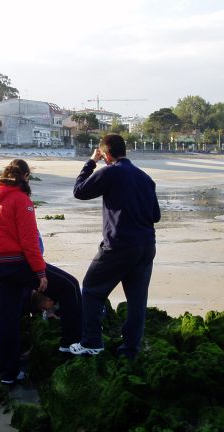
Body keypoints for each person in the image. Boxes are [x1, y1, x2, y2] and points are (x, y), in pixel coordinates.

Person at [71, 134, 161, 359]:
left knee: (91, 289)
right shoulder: (145, 178)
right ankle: (130, 349)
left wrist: (91, 162)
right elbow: (156, 216)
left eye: (102, 155)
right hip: (146, 245)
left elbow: (79, 191)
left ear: (106, 155)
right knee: (137, 300)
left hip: (119, 245)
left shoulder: (111, 171)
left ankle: (91, 341)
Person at [0, 159, 47, 384]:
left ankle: (6, 371)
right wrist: (40, 272)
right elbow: (30, 242)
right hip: (16, 263)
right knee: (66, 286)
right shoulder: (21, 199)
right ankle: (71, 342)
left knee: (8, 316)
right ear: (25, 176)